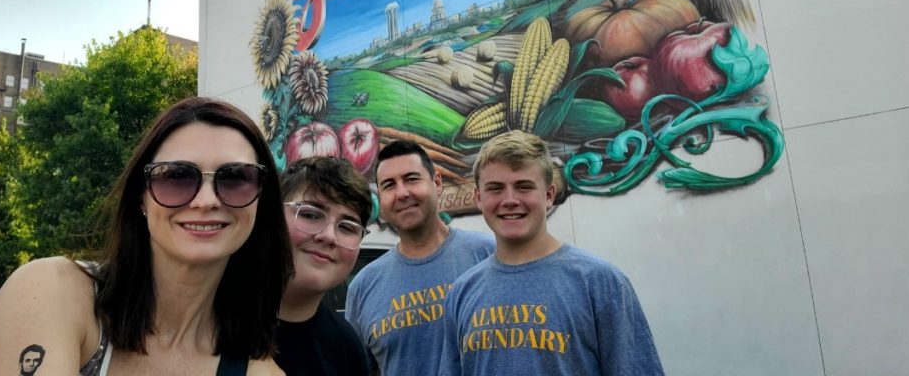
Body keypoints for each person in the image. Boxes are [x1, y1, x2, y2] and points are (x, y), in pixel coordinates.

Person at [0, 97, 294, 376]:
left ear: (260, 202)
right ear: (141, 199)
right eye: (177, 176)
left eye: (236, 178)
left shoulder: (261, 371)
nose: (206, 200)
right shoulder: (54, 290)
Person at [439, 130, 664, 375]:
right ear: (479, 198)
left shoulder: (601, 284)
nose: (510, 199)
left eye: (523, 187)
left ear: (549, 195)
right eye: (496, 188)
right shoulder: (461, 293)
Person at [345, 139, 494, 376]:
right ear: (381, 199)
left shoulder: (489, 255)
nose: (402, 193)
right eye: (389, 185)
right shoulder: (363, 287)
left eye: (411, 179)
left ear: (437, 183)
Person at [274, 156, 372, 375]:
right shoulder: (206, 319)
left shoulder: (346, 348)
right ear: (272, 216)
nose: (329, 236)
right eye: (310, 214)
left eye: (347, 227)